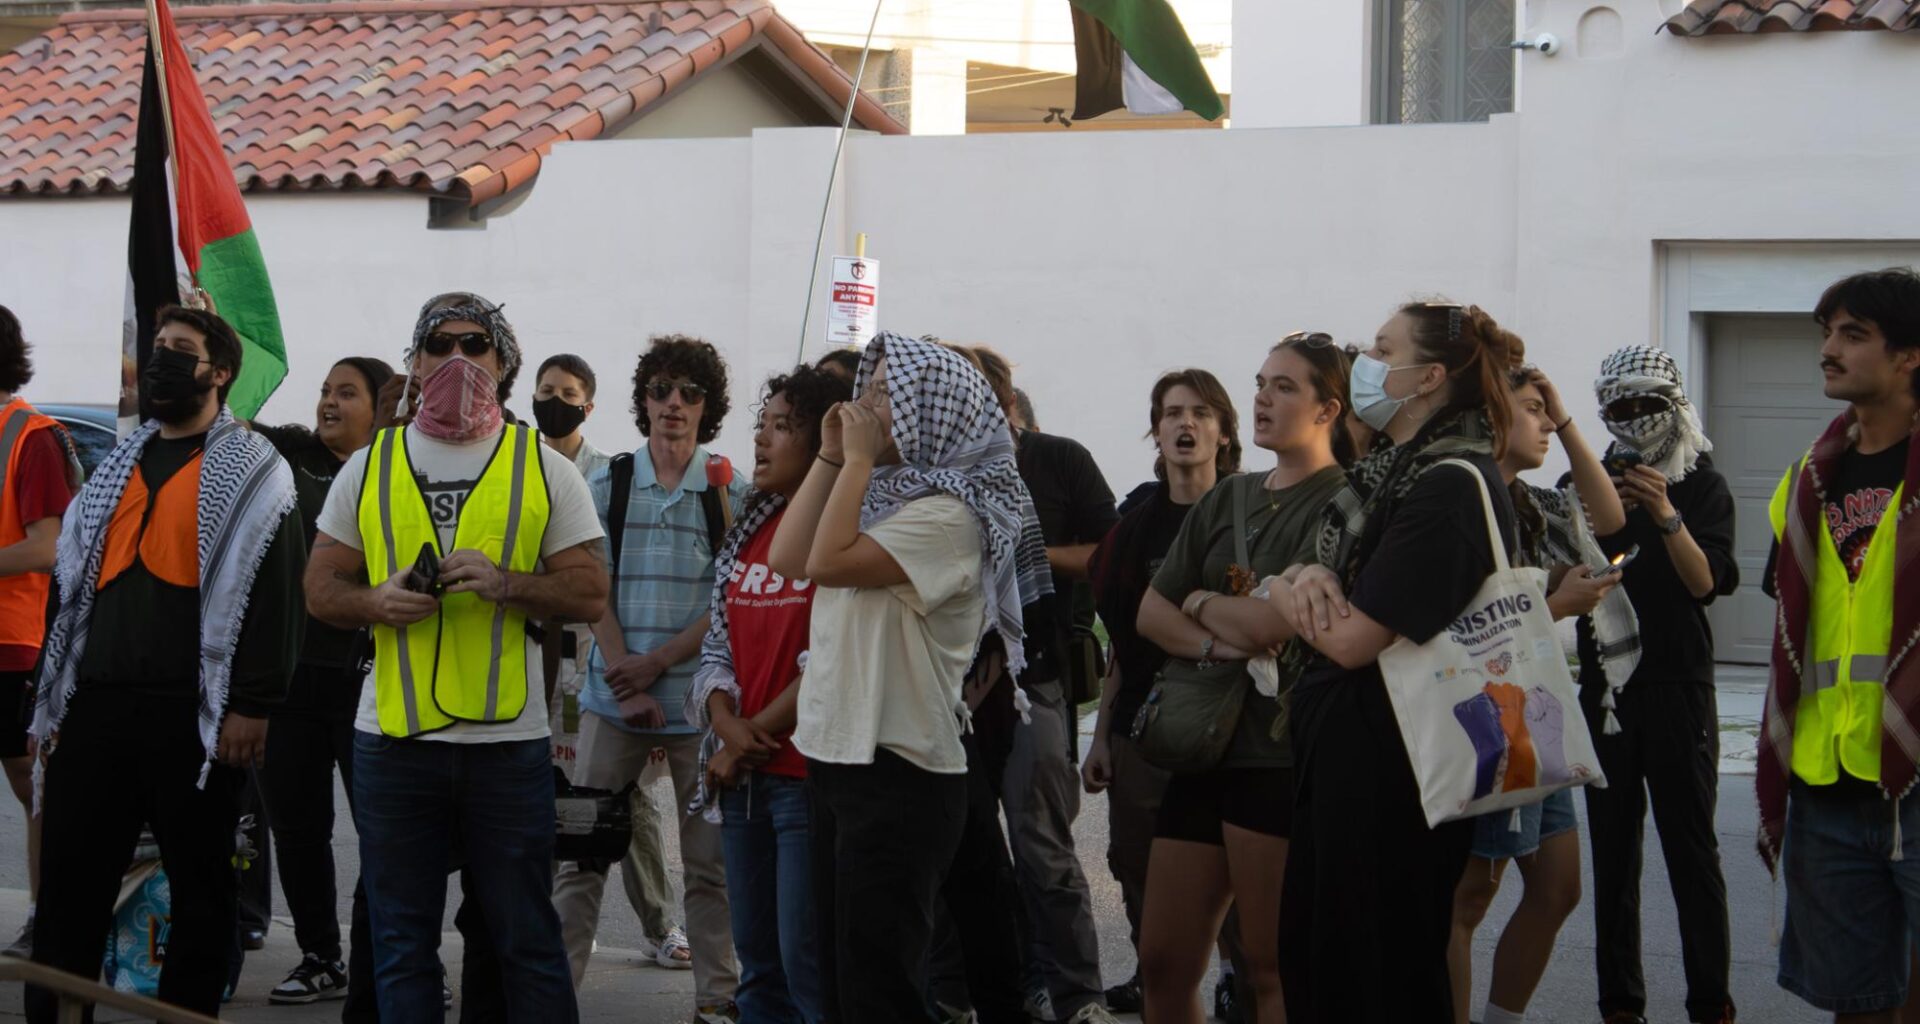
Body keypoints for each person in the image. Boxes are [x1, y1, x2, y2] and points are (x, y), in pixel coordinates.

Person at [305, 291, 607, 1023]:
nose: (458, 359)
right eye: (440, 345)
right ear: (414, 362)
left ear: (504, 364)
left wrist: (509, 584)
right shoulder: (369, 465)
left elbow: (592, 591)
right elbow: (320, 587)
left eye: (477, 345)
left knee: (525, 940)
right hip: (394, 742)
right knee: (403, 943)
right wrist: (374, 601)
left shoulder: (544, 466)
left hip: (508, 747)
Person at [26, 305, 304, 1021]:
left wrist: (254, 703)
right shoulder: (116, 465)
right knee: (69, 891)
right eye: (156, 348)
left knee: (202, 889)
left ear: (220, 373)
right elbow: (70, 591)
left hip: (196, 716)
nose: (161, 361)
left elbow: (275, 597)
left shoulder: (253, 470)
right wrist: (52, 699)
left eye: (180, 349)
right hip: (96, 707)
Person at [769, 333, 1051, 1023]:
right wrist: (835, 457)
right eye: (867, 387)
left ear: (938, 409)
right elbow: (789, 556)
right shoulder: (878, 500)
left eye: (886, 392)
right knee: (842, 986)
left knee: (881, 991)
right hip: (838, 760)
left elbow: (830, 560)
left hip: (900, 772)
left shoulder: (953, 516)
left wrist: (855, 460)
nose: (864, 404)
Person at [1269, 302, 1524, 1021]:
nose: (1365, 366)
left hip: (1391, 769)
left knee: (1374, 972)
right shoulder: (1394, 474)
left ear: (1428, 378)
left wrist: (1288, 589)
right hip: (1361, 757)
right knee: (1335, 960)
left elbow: (1352, 640)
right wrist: (1306, 584)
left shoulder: (1446, 486)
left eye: (1383, 350)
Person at [1128, 335, 1351, 1023]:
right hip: (1201, 752)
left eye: (1285, 387)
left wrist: (1199, 603)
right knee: (1162, 963)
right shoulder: (1228, 497)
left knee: (1269, 968)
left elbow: (1273, 627)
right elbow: (1146, 612)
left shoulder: (1346, 503)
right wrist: (1214, 635)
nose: (1262, 397)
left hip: (1278, 756)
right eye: (1260, 382)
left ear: (1327, 408)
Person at [551, 335, 745, 1021]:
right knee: (579, 860)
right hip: (610, 706)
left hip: (701, 712)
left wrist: (659, 664)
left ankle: (718, 1001)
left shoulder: (728, 491)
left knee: (709, 870)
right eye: (661, 389)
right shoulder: (607, 482)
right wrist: (626, 677)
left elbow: (728, 600)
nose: (673, 403)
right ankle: (554, 1001)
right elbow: (585, 581)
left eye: (690, 392)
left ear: (707, 407)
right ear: (643, 400)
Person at [1446, 363, 1631, 1024]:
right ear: (1491, 421)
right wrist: (1555, 604)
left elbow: (1608, 519)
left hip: (1535, 719)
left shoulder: (1536, 502)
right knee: (1466, 900)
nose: (1547, 422)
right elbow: (1461, 626)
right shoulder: (1457, 504)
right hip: (1481, 722)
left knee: (1557, 890)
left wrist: (1566, 411)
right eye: (1532, 410)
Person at [1760, 268, 1920, 1023]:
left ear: (1909, 355)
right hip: (1826, 780)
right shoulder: (1803, 484)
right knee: (1856, 1005)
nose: (1829, 350)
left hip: (1916, 779)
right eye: (1826, 332)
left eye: (1853, 335)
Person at [686, 365, 851, 1024]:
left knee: (806, 963)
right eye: (763, 423)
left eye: (783, 426)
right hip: (743, 775)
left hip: (803, 778)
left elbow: (834, 657)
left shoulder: (837, 532)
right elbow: (718, 645)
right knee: (758, 969)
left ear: (820, 445)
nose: (762, 438)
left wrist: (750, 734)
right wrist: (725, 722)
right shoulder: (749, 527)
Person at [1579, 344, 1739, 1024]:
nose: (1635, 420)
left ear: (1674, 404)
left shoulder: (1702, 481)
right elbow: (1573, 576)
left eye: (1648, 405)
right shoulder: (1586, 479)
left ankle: (1710, 1002)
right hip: (1608, 690)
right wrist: (1593, 522)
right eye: (1619, 408)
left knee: (1690, 852)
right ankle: (1620, 1004)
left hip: (1677, 686)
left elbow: (1705, 585)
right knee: (1612, 860)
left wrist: (1666, 515)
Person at [966, 345, 1119, 1024]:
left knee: (1042, 848)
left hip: (1039, 680)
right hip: (951, 690)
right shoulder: (924, 471)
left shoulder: (1059, 460)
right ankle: (981, 991)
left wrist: (1020, 554)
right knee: (963, 853)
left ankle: (1076, 996)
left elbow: (1109, 556)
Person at [1082, 368, 1241, 1013]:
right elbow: (1125, 638)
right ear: (1155, 429)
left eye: (1201, 413)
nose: (1186, 424)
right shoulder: (1135, 524)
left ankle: (1236, 979)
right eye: (1172, 412)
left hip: (1238, 725)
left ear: (1224, 431)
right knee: (1139, 867)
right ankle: (1161, 979)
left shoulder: (1250, 510)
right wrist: (1101, 736)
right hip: (1148, 727)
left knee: (1236, 874)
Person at [246, 356, 393, 1005]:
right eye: (326, 391)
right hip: (291, 679)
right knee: (298, 826)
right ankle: (320, 957)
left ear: (381, 405)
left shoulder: (400, 470)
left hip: (369, 680)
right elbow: (232, 427)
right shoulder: (289, 458)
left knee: (384, 829)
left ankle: (395, 958)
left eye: (347, 392)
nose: (330, 402)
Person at [0, 307, 76, 961]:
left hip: (12, 639)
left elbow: (45, 548)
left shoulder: (33, 435)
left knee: (31, 779)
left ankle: (46, 915)